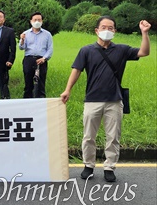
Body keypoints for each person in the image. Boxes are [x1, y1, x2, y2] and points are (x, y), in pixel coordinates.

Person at [60, 17, 151, 183]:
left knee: (113, 136)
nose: (107, 30)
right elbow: (76, 70)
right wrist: (67, 90)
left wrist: (144, 33)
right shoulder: (86, 50)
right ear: (96, 30)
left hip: (114, 100)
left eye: (111, 27)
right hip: (92, 100)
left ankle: (109, 167)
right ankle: (88, 165)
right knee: (88, 136)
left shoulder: (122, 50)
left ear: (115, 31)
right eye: (103, 27)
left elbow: (144, 52)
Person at [19, 12, 53, 98]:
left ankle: (40, 100)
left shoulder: (47, 34)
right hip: (29, 59)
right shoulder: (26, 33)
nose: (37, 21)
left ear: (42, 21)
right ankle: (27, 100)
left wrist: (44, 58)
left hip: (41, 60)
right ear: (31, 21)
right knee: (28, 82)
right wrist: (22, 40)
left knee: (41, 82)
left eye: (39, 20)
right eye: (35, 20)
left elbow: (50, 49)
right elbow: (21, 47)